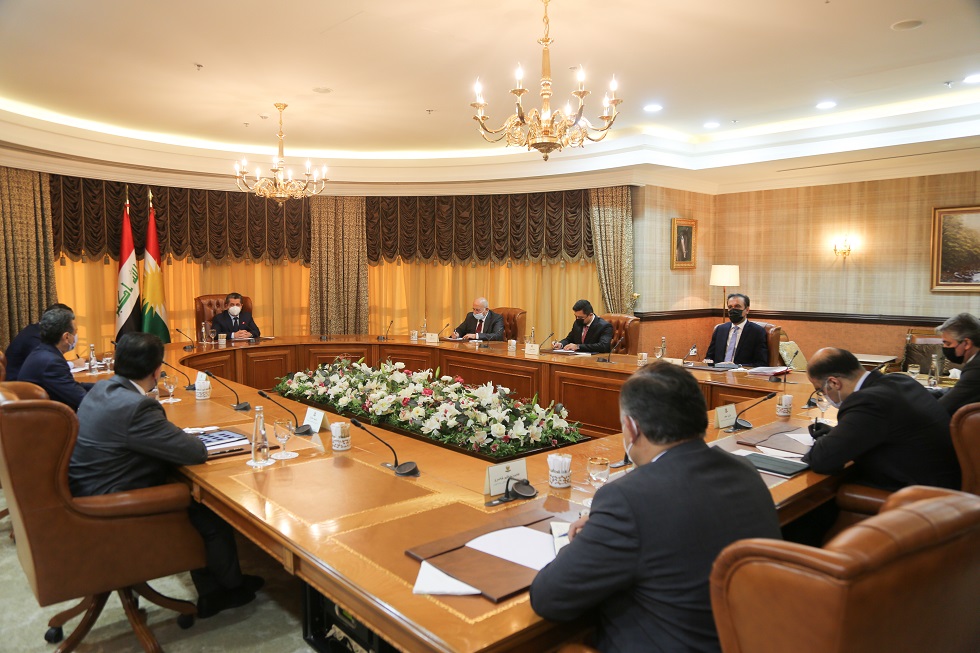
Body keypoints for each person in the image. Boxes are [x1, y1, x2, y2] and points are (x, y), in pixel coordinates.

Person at [530, 363, 782, 652]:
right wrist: (608, 529)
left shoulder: (627, 499)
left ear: (632, 428)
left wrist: (590, 539)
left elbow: (549, 598)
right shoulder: (744, 469)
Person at [69, 332, 263, 618]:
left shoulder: (102, 389)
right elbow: (194, 452)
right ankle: (226, 591)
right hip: (110, 504)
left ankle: (215, 588)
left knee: (191, 493)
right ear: (157, 370)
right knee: (206, 507)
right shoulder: (137, 406)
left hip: (84, 493)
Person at [803, 348, 960, 491]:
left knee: (824, 494)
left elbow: (821, 460)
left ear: (834, 383)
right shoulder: (899, 380)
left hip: (922, 495)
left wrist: (826, 440)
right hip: (947, 482)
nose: (823, 395)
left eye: (820, 390)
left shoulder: (868, 401)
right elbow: (885, 428)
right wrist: (837, 433)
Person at [17, 306, 93, 410]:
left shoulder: (44, 352)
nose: (76, 336)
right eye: (75, 332)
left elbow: (72, 386)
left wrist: (103, 387)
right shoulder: (51, 362)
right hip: (48, 418)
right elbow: (82, 399)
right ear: (66, 337)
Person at [3, 302, 76, 381]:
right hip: (16, 384)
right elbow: (47, 365)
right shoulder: (34, 337)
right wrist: (73, 364)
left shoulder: (36, 330)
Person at [704, 293, 769, 368]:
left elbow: (761, 363)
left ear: (747, 310)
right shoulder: (720, 329)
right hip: (718, 372)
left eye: (737, 306)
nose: (733, 310)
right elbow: (709, 357)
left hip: (741, 373)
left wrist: (737, 366)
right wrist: (706, 362)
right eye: (730, 307)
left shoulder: (757, 332)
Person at [934, 312, 980, 416]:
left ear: (967, 343)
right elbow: (957, 390)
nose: (945, 348)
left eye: (948, 343)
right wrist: (923, 393)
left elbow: (943, 407)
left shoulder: (976, 367)